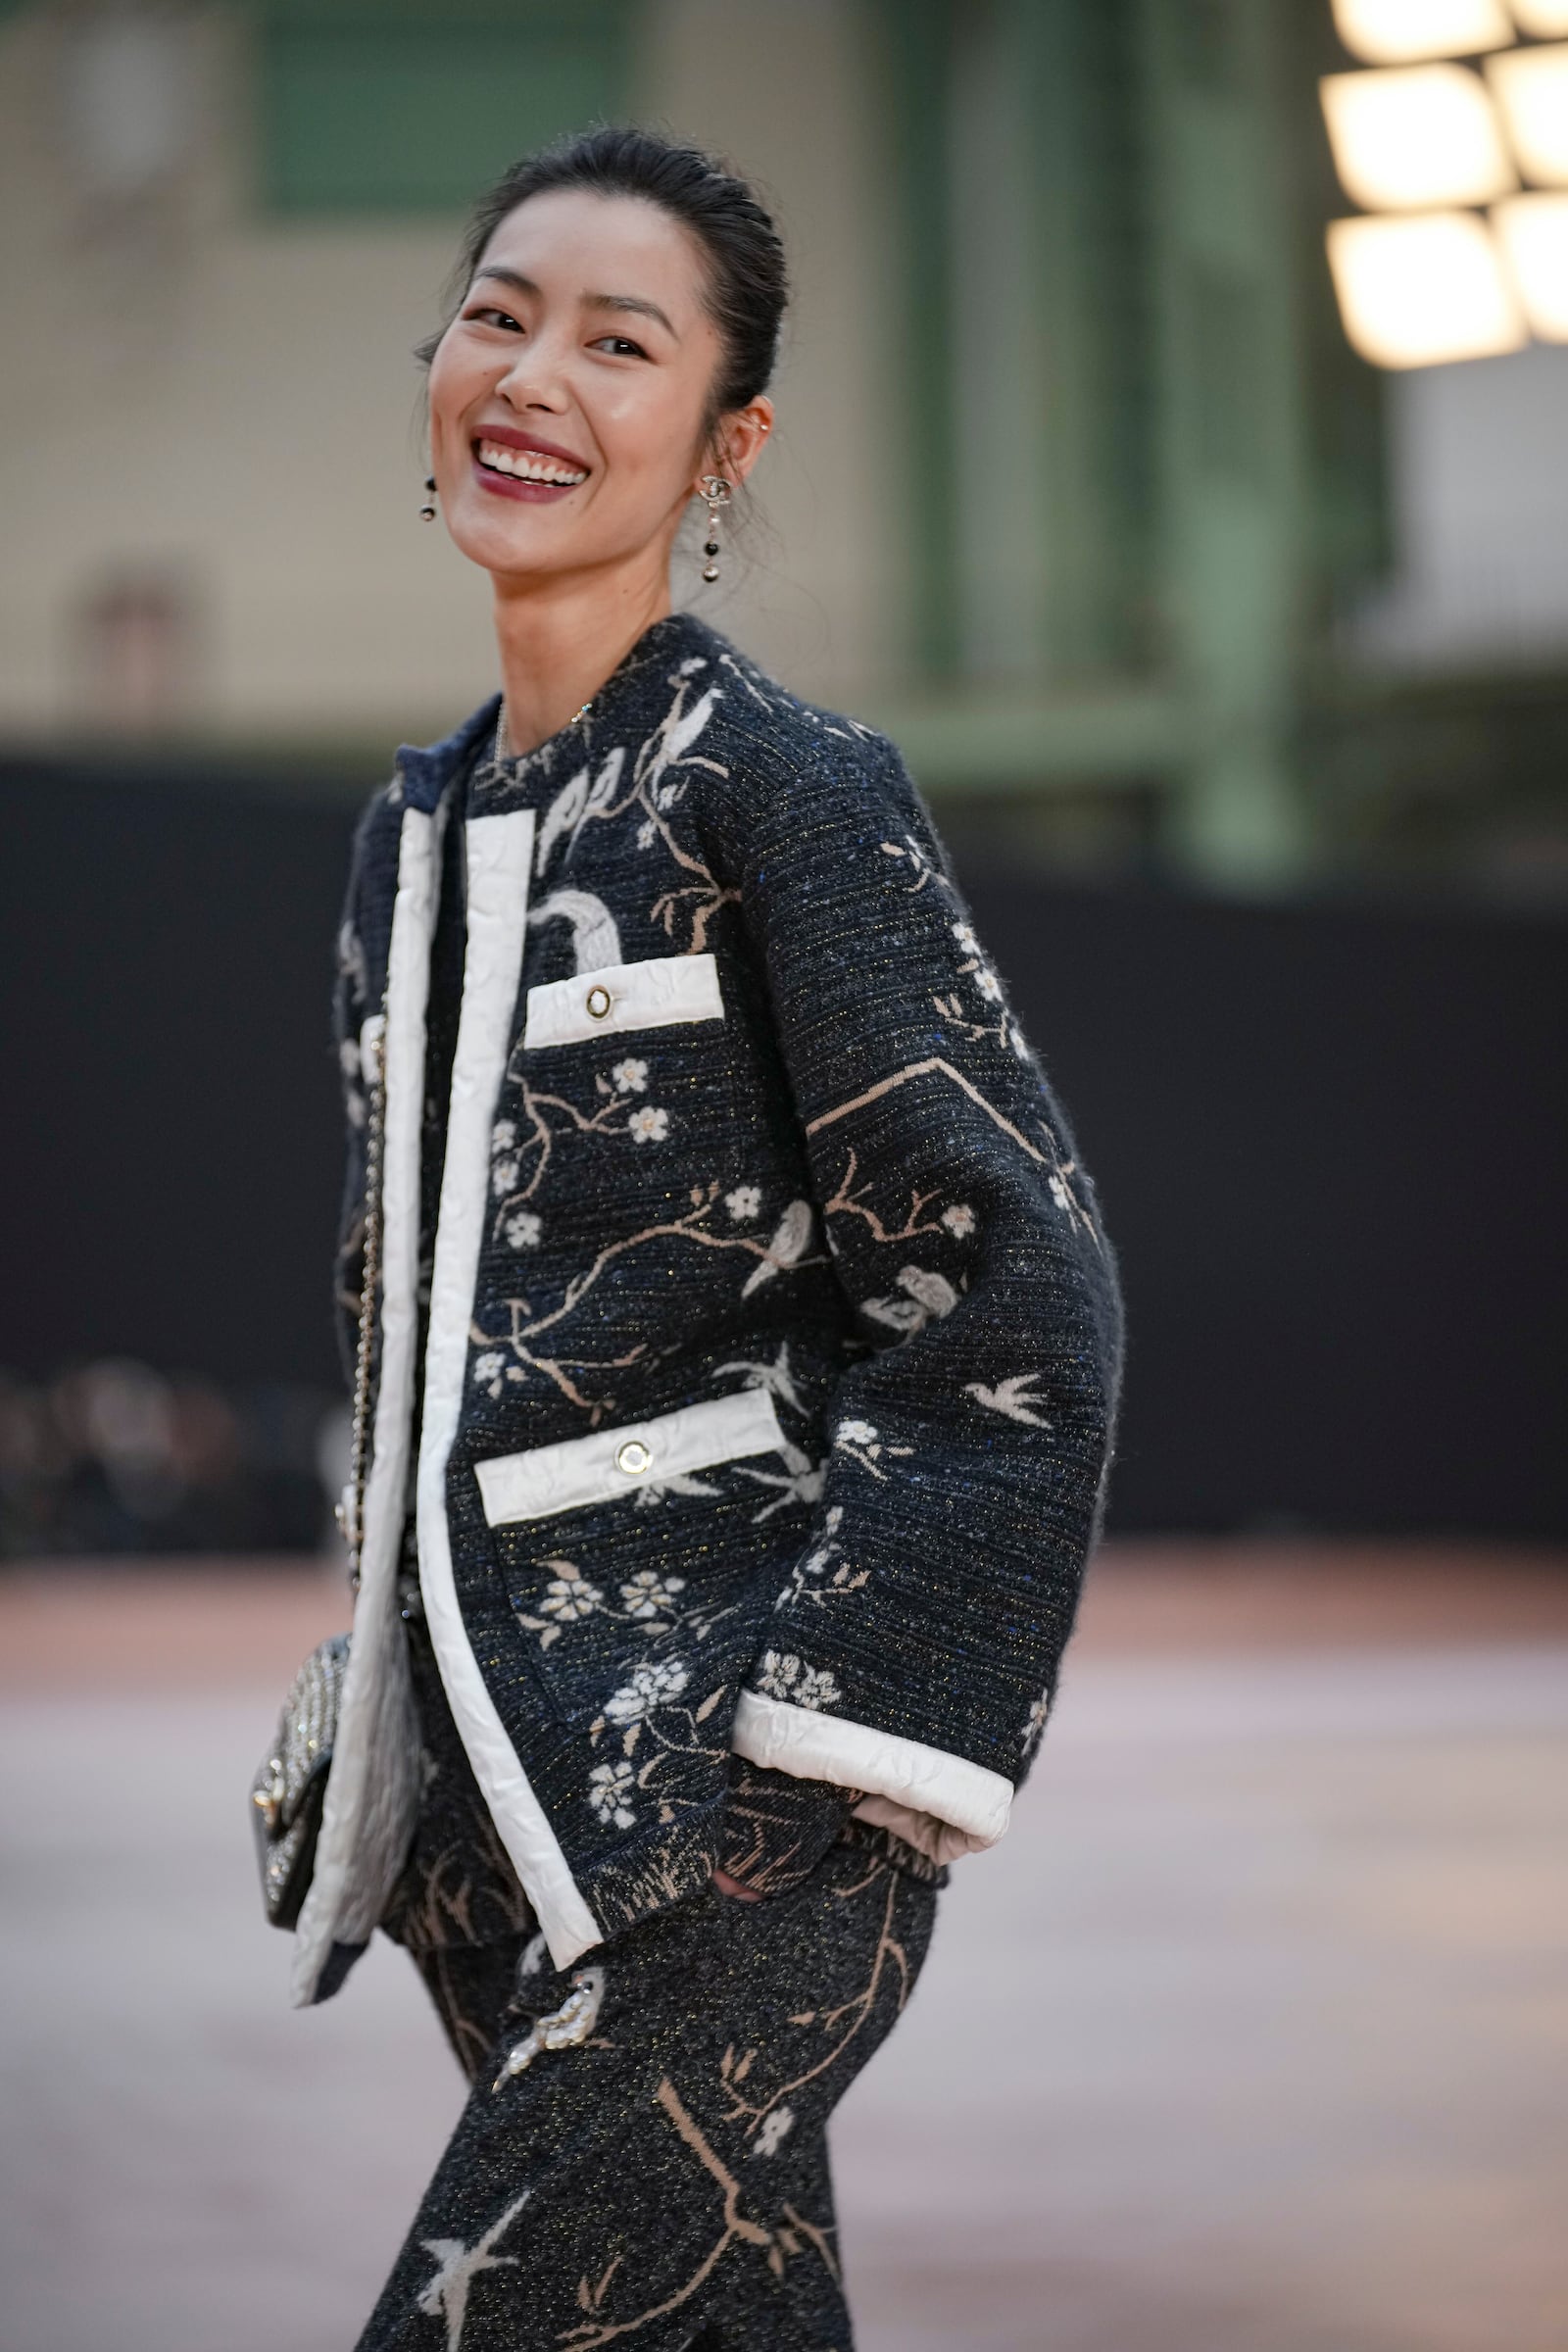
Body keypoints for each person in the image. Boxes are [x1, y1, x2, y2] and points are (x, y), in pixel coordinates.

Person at [294, 124, 1123, 2351]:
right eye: (496, 315)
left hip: (738, 1812)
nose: (529, 373)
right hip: (490, 1806)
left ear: (723, 439)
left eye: (613, 341)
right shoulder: (409, 838)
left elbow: (1003, 1276)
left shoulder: (779, 782)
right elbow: (408, 1328)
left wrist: (848, 1739)